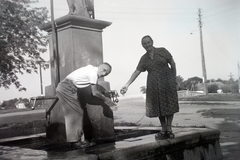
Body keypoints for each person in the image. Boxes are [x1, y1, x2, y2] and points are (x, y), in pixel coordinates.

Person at [121, 35, 179, 140]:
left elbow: (173, 64)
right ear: (142, 45)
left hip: (167, 81)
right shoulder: (144, 58)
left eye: (148, 42)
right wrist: (127, 84)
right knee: (158, 106)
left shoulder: (162, 51)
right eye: (144, 43)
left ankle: (169, 129)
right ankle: (164, 129)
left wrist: (173, 78)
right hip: (153, 84)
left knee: (169, 104)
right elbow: (136, 72)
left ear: (152, 42)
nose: (147, 45)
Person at [56, 63, 116, 147]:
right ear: (104, 71)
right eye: (106, 74)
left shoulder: (90, 69)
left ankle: (76, 140)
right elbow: (95, 93)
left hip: (66, 87)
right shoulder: (93, 74)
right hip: (66, 88)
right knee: (76, 113)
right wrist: (107, 101)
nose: (103, 76)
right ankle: (75, 142)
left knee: (75, 112)